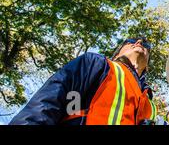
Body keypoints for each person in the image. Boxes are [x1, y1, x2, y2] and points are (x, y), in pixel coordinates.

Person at [10, 37, 157, 125]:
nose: (139, 42)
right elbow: (47, 103)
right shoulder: (96, 64)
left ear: (148, 66)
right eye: (130, 41)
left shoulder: (151, 107)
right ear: (117, 53)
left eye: (146, 46)